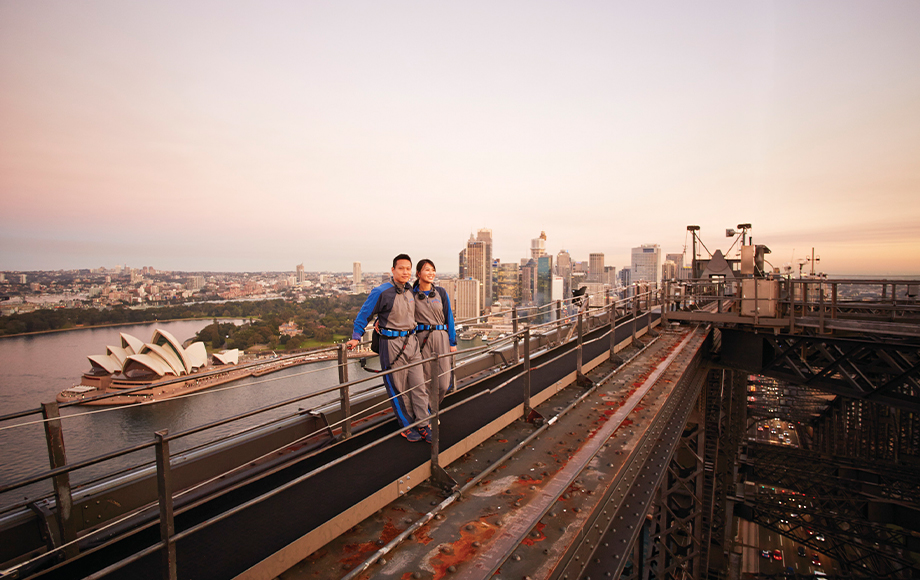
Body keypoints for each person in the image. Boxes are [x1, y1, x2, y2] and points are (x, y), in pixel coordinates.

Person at [347, 254, 430, 442]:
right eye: (401, 268)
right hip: (391, 345)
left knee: (419, 385)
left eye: (408, 269)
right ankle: (407, 426)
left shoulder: (411, 291)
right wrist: (356, 337)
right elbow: (364, 314)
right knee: (398, 388)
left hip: (412, 342)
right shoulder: (381, 292)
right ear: (392, 270)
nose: (405, 272)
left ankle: (424, 423)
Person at [412, 259, 457, 405]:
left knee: (443, 382)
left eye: (433, 269)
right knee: (424, 379)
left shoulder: (440, 293)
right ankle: (427, 414)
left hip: (441, 337)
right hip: (421, 339)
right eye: (427, 270)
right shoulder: (411, 295)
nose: (431, 273)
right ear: (418, 273)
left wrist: (452, 341)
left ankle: (433, 407)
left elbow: (448, 316)